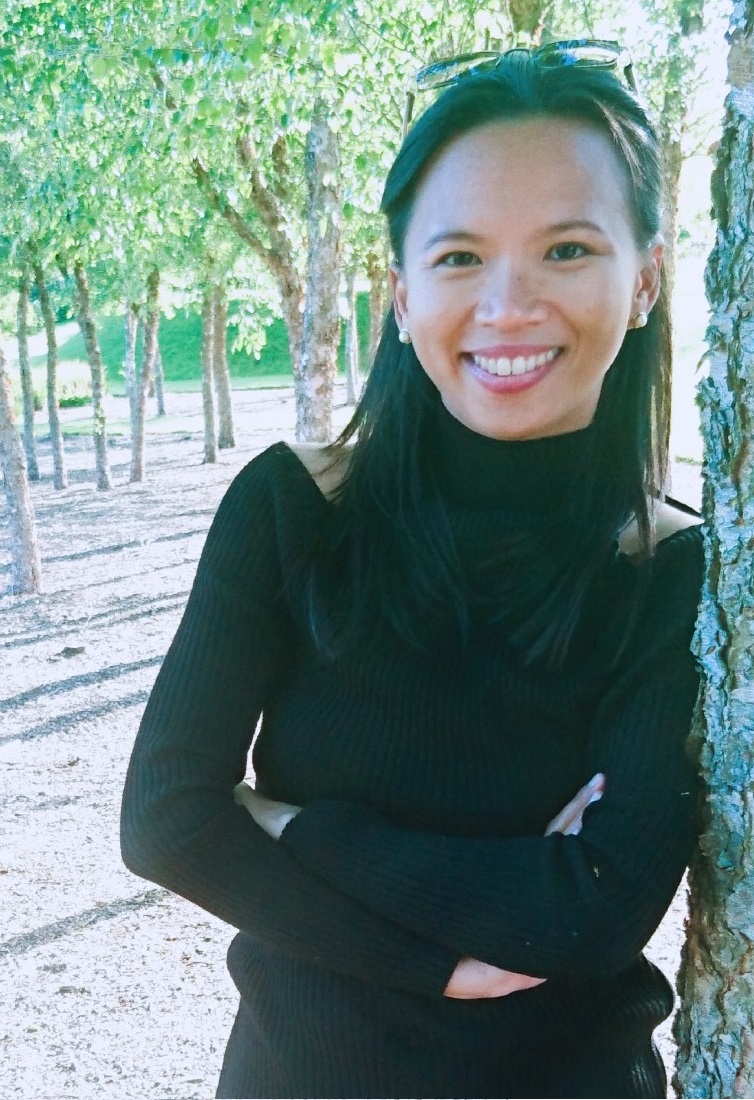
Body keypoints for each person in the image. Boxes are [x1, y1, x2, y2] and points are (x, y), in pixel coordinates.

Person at [121, 44, 703, 1100]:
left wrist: (293, 826)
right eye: (460, 256)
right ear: (399, 293)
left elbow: (593, 912)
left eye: (567, 248)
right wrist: (441, 962)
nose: (509, 304)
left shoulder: (669, 568)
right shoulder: (295, 509)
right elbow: (166, 819)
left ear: (645, 280)